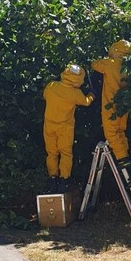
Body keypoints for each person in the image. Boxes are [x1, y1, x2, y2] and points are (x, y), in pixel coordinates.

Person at [43, 64, 95, 193]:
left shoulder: (51, 86)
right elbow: (86, 102)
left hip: (49, 125)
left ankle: (52, 179)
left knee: (51, 153)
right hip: (64, 127)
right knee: (66, 154)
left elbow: (45, 96)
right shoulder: (75, 93)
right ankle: (64, 181)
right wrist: (92, 95)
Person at [91, 39, 131, 169]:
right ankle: (125, 154)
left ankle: (122, 158)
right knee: (121, 130)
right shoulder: (129, 67)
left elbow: (94, 65)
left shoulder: (109, 63)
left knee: (111, 132)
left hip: (111, 104)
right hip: (124, 105)